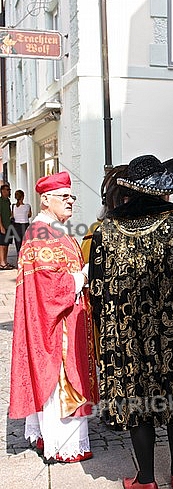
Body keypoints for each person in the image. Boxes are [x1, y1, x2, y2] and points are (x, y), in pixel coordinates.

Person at [89, 155, 173, 489]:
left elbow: (99, 291)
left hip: (128, 338)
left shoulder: (105, 232)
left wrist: (106, 333)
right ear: (165, 192)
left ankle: (146, 478)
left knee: (137, 402)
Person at [9, 171, 98, 463]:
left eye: (72, 196)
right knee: (62, 380)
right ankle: (63, 444)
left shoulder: (53, 230)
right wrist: (84, 276)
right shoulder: (43, 234)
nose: (71, 201)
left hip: (65, 318)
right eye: (64, 196)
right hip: (57, 325)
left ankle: (49, 436)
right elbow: (51, 288)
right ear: (46, 200)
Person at [11, 189, 32, 255]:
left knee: (18, 243)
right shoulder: (27, 206)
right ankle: (25, 257)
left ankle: (18, 256)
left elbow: (12, 216)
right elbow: (29, 215)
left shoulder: (13, 206)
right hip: (25, 225)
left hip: (16, 226)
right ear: (23, 197)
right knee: (25, 242)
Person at [0, 183, 14, 269]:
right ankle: (2, 263)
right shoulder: (0, 201)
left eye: (9, 190)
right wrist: (1, 226)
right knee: (2, 245)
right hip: (3, 226)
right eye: (6, 190)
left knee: (6, 244)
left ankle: (5, 261)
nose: (8, 192)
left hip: (9, 225)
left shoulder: (8, 201)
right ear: (2, 191)